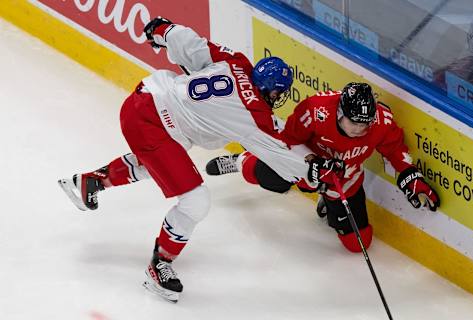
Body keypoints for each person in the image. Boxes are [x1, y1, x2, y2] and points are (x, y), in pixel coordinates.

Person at [57, 17, 312, 303]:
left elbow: (193, 46)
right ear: (274, 91)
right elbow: (280, 150)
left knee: (165, 164)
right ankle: (160, 265)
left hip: (146, 99)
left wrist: (164, 31)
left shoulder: (237, 62)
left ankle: (90, 182)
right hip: (153, 125)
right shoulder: (255, 116)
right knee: (195, 200)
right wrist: (315, 171)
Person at [206, 82, 440, 253]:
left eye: (365, 123)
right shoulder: (315, 111)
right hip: (304, 166)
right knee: (268, 176)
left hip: (343, 181)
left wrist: (409, 175)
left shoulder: (381, 121)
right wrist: (312, 162)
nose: (361, 129)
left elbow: (394, 148)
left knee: (358, 244)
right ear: (340, 113)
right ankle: (242, 160)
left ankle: (327, 201)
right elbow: (287, 140)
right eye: (355, 122)